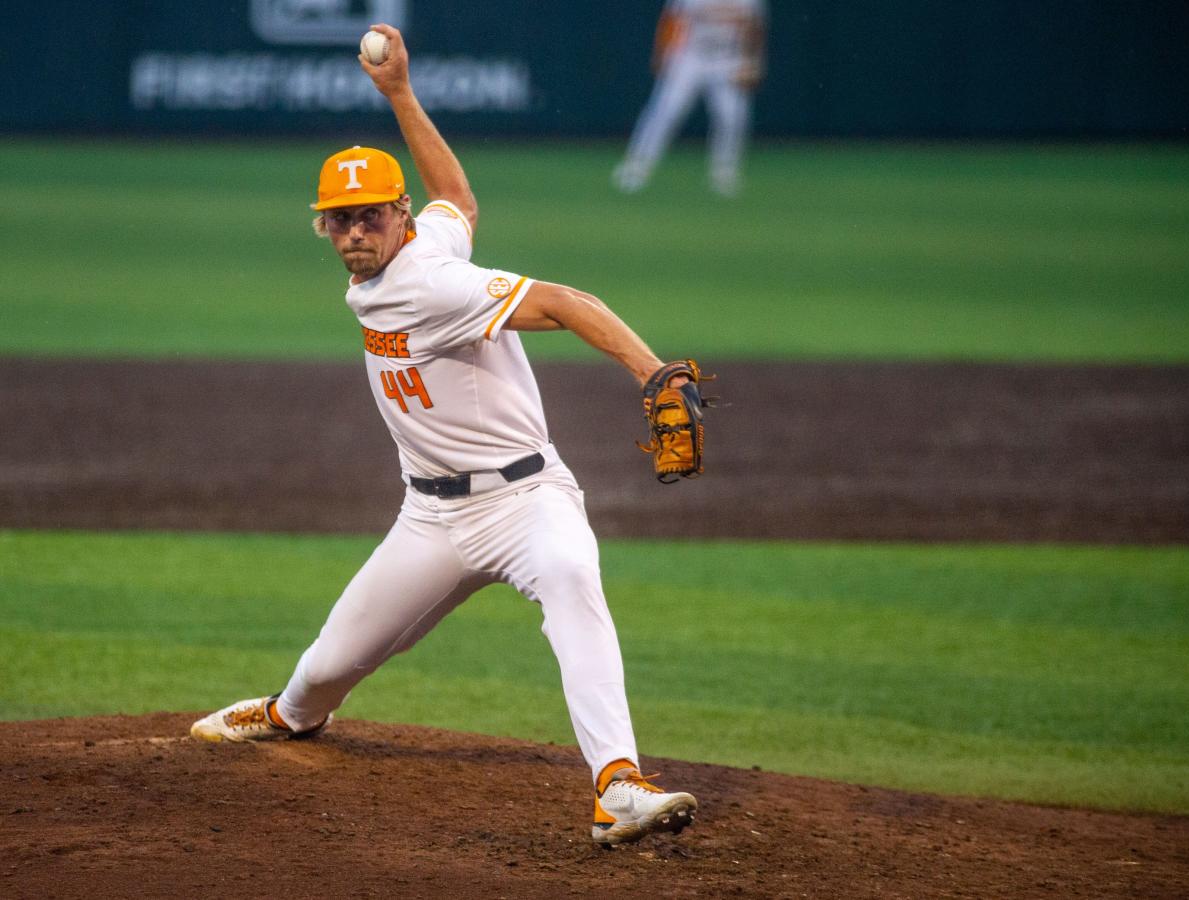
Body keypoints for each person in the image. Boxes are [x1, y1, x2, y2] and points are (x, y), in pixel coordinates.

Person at [190, 23, 699, 848]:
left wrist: (653, 374)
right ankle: (289, 716)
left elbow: (565, 301)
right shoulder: (422, 242)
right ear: (325, 228)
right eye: (338, 220)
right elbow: (458, 203)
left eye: (367, 217)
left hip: (527, 499)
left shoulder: (432, 284)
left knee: (572, 576)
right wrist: (398, 95)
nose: (354, 232)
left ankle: (618, 786)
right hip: (428, 518)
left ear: (394, 217)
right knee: (325, 667)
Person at [613, 0, 767, 197]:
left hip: (729, 58)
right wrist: (662, 55)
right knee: (667, 109)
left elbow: (755, 28)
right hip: (690, 57)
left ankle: (724, 173)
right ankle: (637, 166)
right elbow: (671, 20)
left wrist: (751, 62)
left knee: (732, 115)